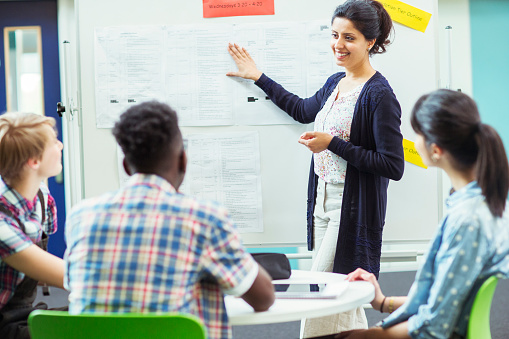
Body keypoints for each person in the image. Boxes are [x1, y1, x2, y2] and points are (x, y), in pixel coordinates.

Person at [227, 0, 404, 336]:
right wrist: (258, 77)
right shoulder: (336, 81)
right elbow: (301, 109)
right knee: (343, 295)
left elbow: (392, 165)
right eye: (335, 35)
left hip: (349, 208)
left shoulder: (380, 95)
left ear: (370, 42)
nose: (338, 44)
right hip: (323, 203)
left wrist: (332, 143)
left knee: (321, 297)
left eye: (349, 38)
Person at [64, 101, 275, 339]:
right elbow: (263, 298)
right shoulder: (203, 218)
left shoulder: (81, 216)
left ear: (125, 166)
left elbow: (75, 287)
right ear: (183, 160)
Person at [333, 89, 509, 339]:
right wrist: (382, 302)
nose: (412, 141)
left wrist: (367, 336)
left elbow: (435, 325)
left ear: (435, 150)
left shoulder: (467, 219)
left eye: (417, 133)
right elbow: (445, 299)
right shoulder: (482, 203)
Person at [0, 112, 65, 339]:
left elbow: (41, 273)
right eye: (54, 142)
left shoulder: (42, 196)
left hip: (23, 311)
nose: (61, 145)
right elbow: (69, 277)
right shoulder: (1, 220)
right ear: (34, 161)